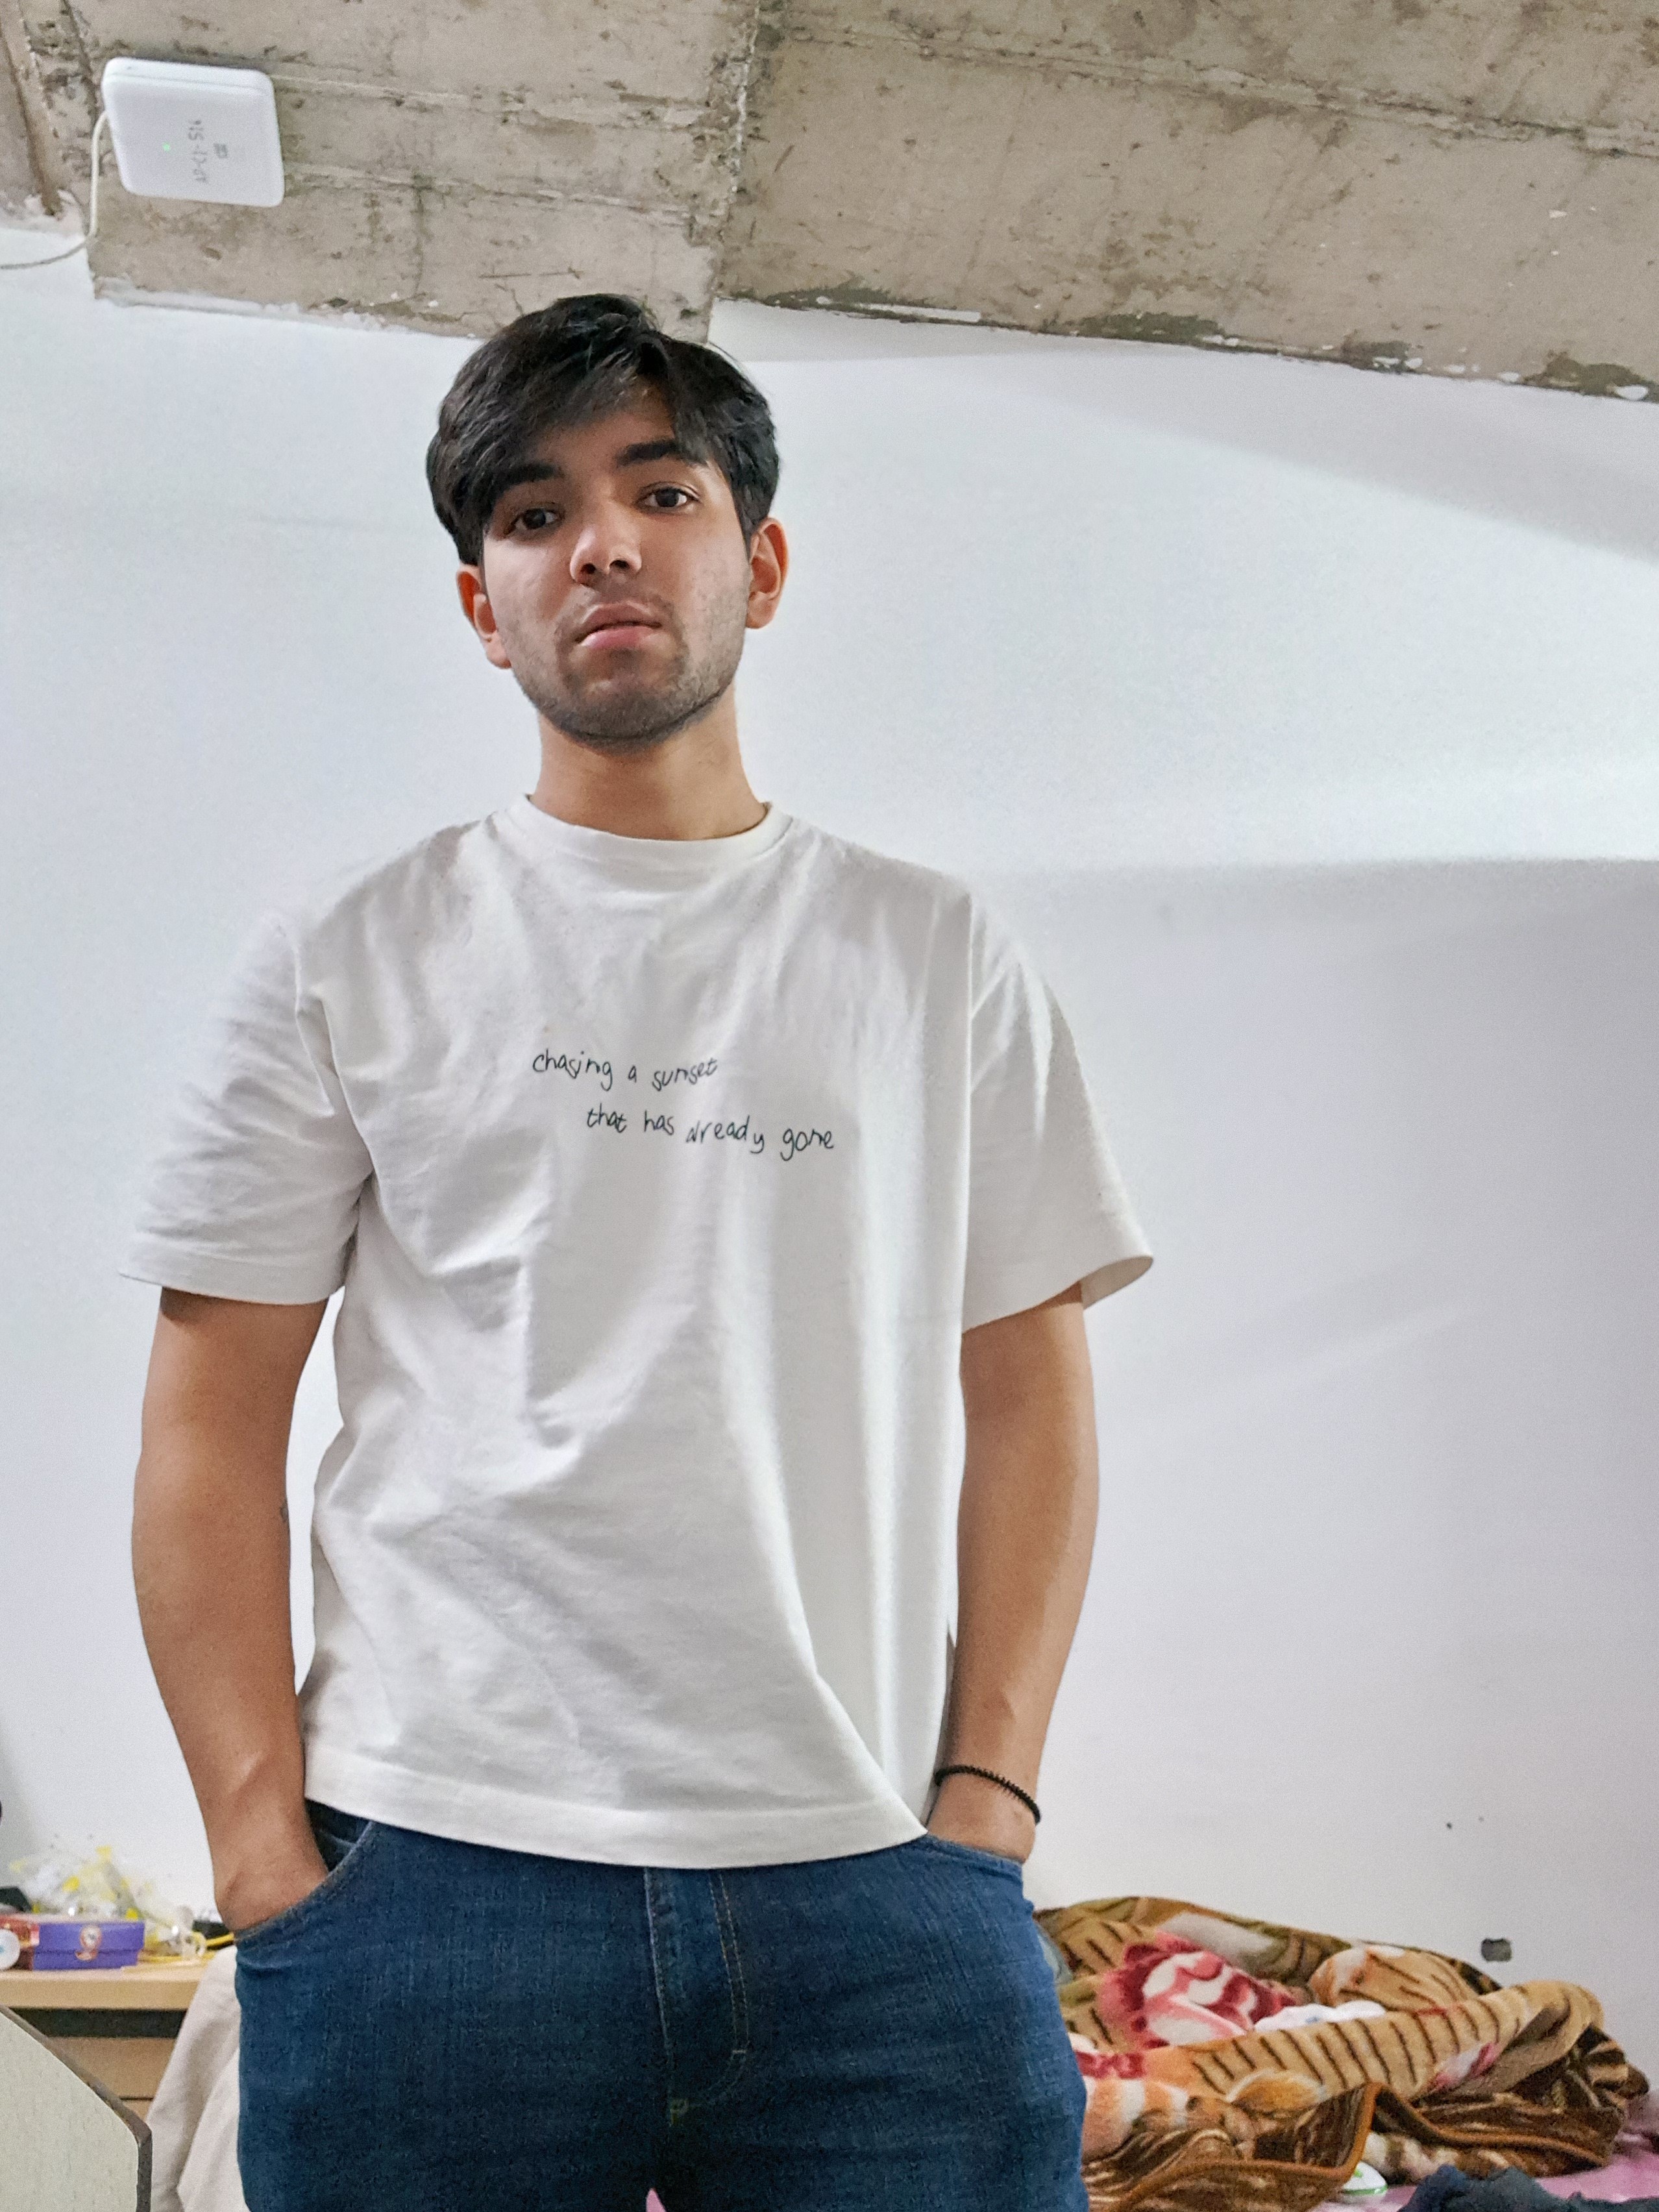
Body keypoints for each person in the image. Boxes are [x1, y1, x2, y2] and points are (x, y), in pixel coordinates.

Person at [126, 292, 1153, 2212]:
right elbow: (207, 1420)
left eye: (660, 491)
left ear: (759, 564)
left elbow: (1030, 1396)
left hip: (872, 1877)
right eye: (534, 514)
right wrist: (263, 1856)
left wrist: (988, 1802)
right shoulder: (350, 952)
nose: (599, 541)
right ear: (481, 603)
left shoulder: (933, 955)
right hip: (431, 1871)